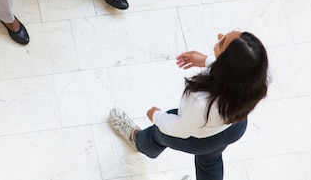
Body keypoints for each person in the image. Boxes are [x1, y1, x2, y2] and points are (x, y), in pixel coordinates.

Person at [109, 31, 269, 180]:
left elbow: (179, 129)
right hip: (234, 129)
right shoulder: (260, 77)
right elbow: (239, 74)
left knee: (159, 132)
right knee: (211, 160)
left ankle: (140, 141)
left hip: (199, 139)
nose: (219, 35)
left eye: (222, 43)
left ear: (226, 67)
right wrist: (207, 60)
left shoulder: (202, 101)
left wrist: (156, 116)